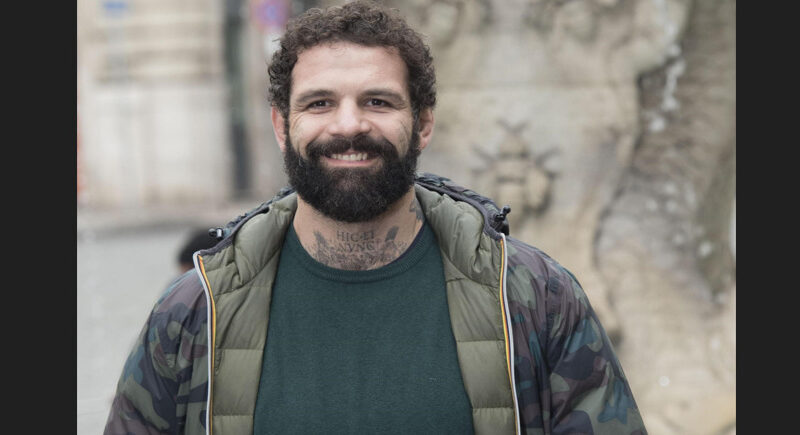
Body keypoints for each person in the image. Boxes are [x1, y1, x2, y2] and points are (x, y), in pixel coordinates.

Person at [104, 1, 646, 434]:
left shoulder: (534, 297)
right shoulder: (196, 310)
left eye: (378, 102)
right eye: (319, 103)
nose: (349, 125)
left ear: (424, 123)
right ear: (281, 125)